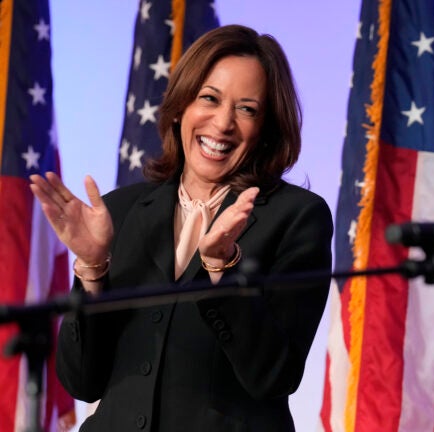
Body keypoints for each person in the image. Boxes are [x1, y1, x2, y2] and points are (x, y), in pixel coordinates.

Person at [29, 24, 332, 431]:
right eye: (209, 98)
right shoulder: (120, 210)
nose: (222, 123)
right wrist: (93, 268)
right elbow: (81, 381)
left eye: (246, 109)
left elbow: (274, 377)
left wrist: (222, 270)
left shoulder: (297, 217)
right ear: (180, 107)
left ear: (266, 129)